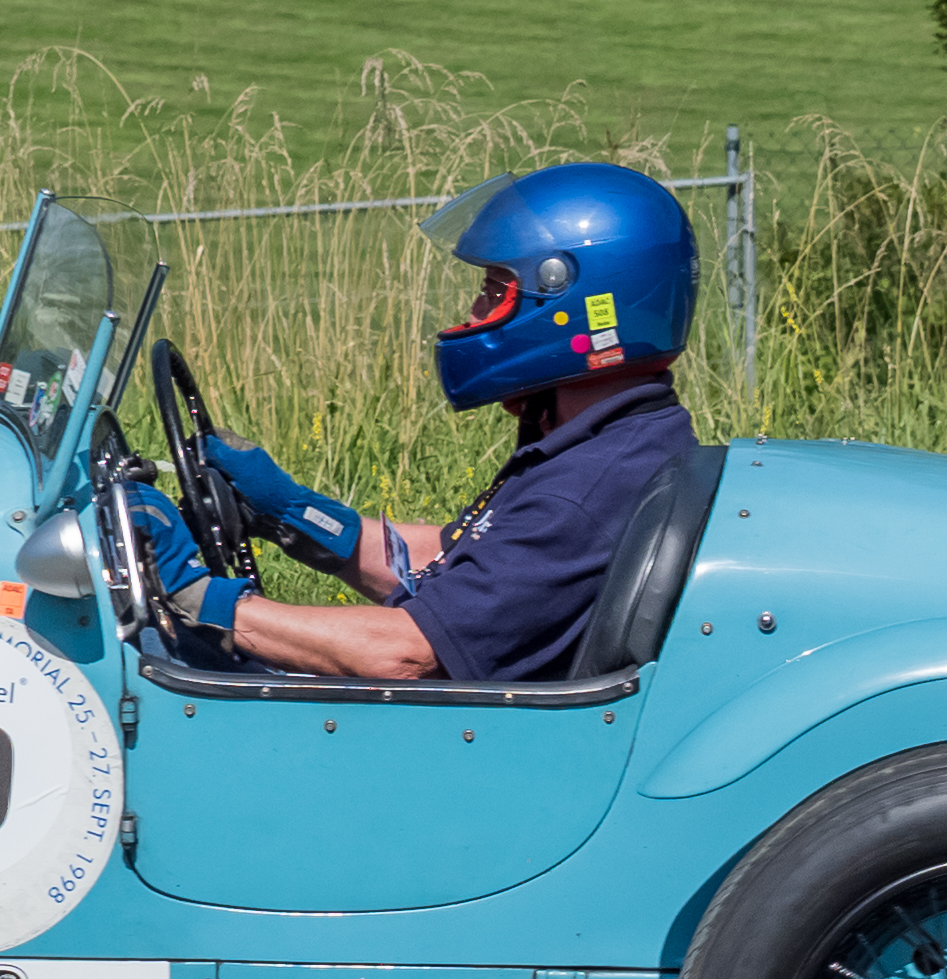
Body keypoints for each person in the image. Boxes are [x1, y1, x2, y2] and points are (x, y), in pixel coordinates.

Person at [131, 162, 702, 683]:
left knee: (151, 652)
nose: (473, 316)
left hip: (464, 754)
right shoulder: (615, 440)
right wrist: (294, 513)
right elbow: (455, 564)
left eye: (494, 293)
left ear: (571, 303)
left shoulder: (585, 491)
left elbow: (405, 652)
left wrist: (197, 596)